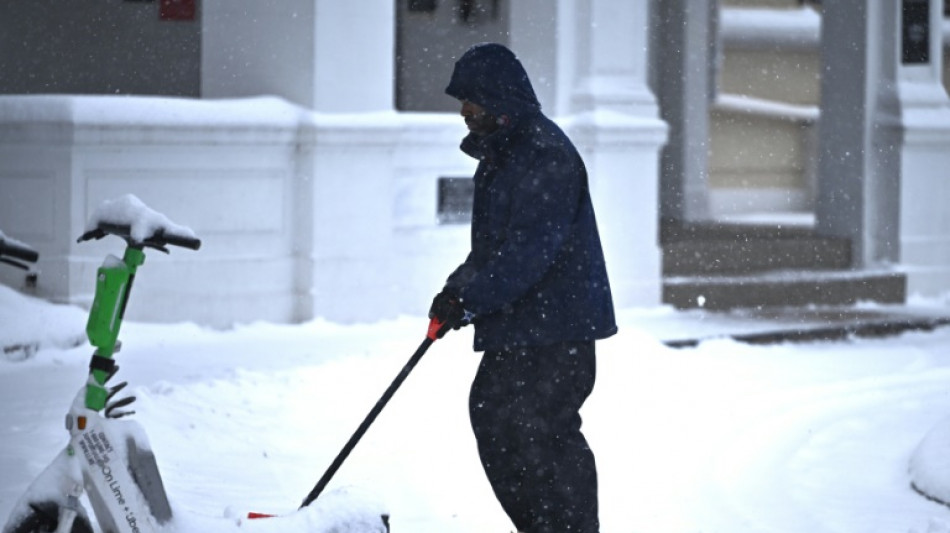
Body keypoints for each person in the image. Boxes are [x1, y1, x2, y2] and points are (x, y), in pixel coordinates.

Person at [428, 43, 617, 533]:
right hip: (523, 325)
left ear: (499, 97)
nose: (464, 111)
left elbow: (528, 252)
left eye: (471, 99)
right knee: (498, 421)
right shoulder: (503, 153)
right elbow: (491, 248)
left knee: (542, 435)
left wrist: (471, 300)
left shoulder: (544, 154)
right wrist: (454, 293)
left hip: (557, 328)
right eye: (462, 101)